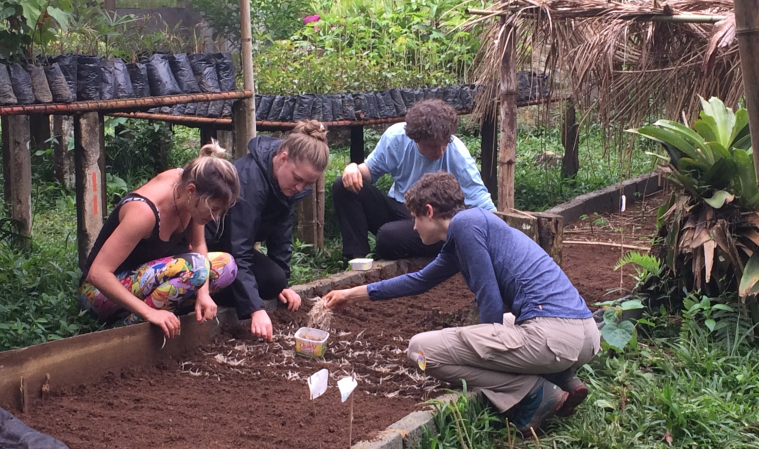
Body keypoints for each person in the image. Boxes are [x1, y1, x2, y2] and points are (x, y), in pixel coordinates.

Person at [324, 172, 600, 435]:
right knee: (497, 326)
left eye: (414, 218)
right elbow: (420, 281)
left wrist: (488, 345)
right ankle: (562, 378)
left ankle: (534, 392)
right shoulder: (473, 227)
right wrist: (351, 294)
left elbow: (489, 299)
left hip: (553, 337)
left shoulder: (465, 225)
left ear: (429, 211)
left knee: (420, 350)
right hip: (583, 334)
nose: (413, 226)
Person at [79, 142, 241, 339]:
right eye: (213, 209)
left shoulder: (192, 189)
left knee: (227, 266)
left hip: (147, 278)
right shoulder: (144, 213)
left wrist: (203, 294)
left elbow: (198, 244)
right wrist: (149, 313)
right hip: (97, 294)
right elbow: (98, 274)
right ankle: (132, 327)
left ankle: (163, 315)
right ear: (191, 190)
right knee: (197, 267)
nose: (215, 217)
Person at [206, 120, 329, 342]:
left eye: (308, 184)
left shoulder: (285, 185)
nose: (300, 188)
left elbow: (281, 237)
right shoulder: (248, 182)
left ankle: (244, 294)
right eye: (298, 179)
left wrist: (283, 286)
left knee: (274, 280)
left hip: (231, 249)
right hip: (210, 248)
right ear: (282, 158)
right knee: (237, 274)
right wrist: (256, 309)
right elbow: (237, 248)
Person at [333, 99, 495, 260]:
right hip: (399, 207)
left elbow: (482, 203)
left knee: (388, 238)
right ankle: (357, 259)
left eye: (445, 144)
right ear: (415, 139)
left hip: (433, 220)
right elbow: (370, 171)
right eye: (432, 146)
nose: (440, 151)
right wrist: (353, 168)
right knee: (343, 184)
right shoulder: (395, 138)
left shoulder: (458, 155)